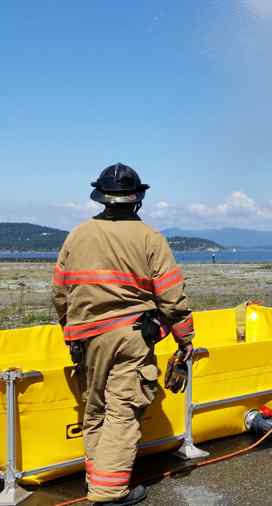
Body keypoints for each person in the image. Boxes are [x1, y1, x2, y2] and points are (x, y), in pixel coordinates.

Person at [52, 164, 195, 505]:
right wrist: (185, 339)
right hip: (132, 337)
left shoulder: (77, 235)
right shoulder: (149, 238)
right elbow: (172, 297)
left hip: (85, 339)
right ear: (137, 200)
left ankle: (96, 482)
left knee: (95, 410)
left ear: (101, 197)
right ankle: (110, 492)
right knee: (123, 411)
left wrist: (70, 331)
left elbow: (59, 294)